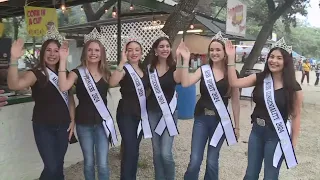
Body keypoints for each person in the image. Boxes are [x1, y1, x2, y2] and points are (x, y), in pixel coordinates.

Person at [227, 38, 303, 180]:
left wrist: (293, 143)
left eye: (279, 58)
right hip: (256, 132)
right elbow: (234, 82)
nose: (274, 61)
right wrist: (231, 58)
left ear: (286, 62)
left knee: (270, 176)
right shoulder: (260, 78)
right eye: (272, 57)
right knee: (250, 174)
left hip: (277, 135)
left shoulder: (294, 87)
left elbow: (296, 115)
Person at [7, 38, 76, 180]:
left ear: (61, 53)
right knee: (51, 167)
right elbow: (14, 85)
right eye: (48, 50)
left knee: (58, 165)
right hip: (44, 127)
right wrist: (14, 58)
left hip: (64, 126)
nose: (52, 54)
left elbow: (70, 98)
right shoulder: (35, 73)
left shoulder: (64, 72)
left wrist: (72, 119)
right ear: (42, 52)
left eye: (56, 50)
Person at [180, 33, 240, 180]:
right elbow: (186, 83)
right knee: (195, 160)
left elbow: (236, 101)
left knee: (212, 161)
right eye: (212, 50)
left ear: (225, 52)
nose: (214, 53)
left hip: (220, 122)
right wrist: (185, 61)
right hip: (201, 119)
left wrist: (237, 126)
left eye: (218, 50)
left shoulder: (232, 73)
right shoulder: (203, 70)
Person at [58, 39, 118, 180]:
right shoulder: (76, 72)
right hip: (84, 124)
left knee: (103, 163)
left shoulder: (106, 73)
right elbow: (63, 86)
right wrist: (62, 60)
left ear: (101, 53)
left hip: (102, 124)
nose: (93, 53)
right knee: (89, 163)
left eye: (97, 50)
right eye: (90, 50)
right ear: (85, 52)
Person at [108, 40, 152, 180]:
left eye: (137, 50)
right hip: (126, 113)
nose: (134, 53)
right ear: (126, 52)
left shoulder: (144, 70)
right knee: (130, 149)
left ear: (141, 52)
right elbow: (112, 82)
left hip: (141, 114)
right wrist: (121, 62)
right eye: (130, 50)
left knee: (134, 151)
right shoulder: (124, 69)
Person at [147, 37, 181, 180]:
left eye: (167, 46)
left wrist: (180, 59)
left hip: (170, 113)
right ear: (155, 50)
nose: (165, 49)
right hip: (153, 112)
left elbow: (179, 80)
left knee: (166, 153)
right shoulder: (149, 69)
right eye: (161, 46)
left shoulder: (174, 68)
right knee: (156, 152)